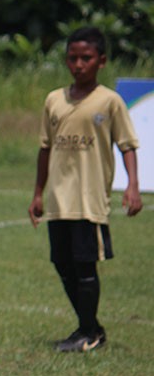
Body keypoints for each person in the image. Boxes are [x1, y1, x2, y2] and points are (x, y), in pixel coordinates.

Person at [28, 25, 142, 352]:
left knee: (85, 265)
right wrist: (38, 193)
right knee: (63, 264)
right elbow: (45, 148)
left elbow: (128, 146)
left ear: (101, 61)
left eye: (86, 58)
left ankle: (88, 331)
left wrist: (132, 186)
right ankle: (89, 328)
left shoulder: (110, 101)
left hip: (89, 200)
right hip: (58, 200)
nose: (78, 64)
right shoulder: (54, 100)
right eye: (72, 58)